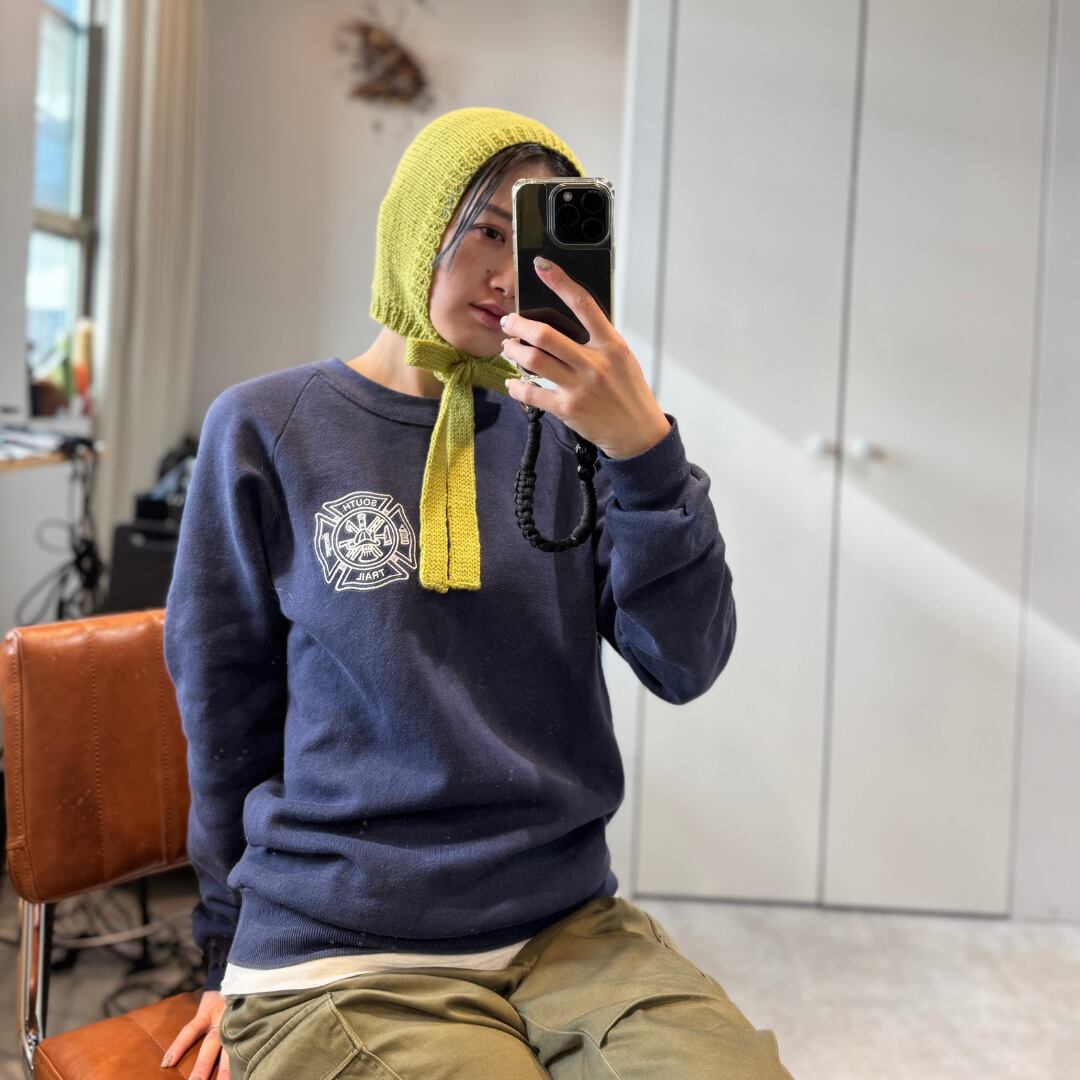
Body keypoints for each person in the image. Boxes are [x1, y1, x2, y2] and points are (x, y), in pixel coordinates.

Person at [160, 105, 790, 1079]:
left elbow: (686, 663)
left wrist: (645, 455)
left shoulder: (578, 436)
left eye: (536, 248)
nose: (508, 278)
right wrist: (221, 946)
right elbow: (222, 707)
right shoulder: (266, 427)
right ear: (416, 227)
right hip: (345, 941)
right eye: (486, 232)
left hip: (566, 925)